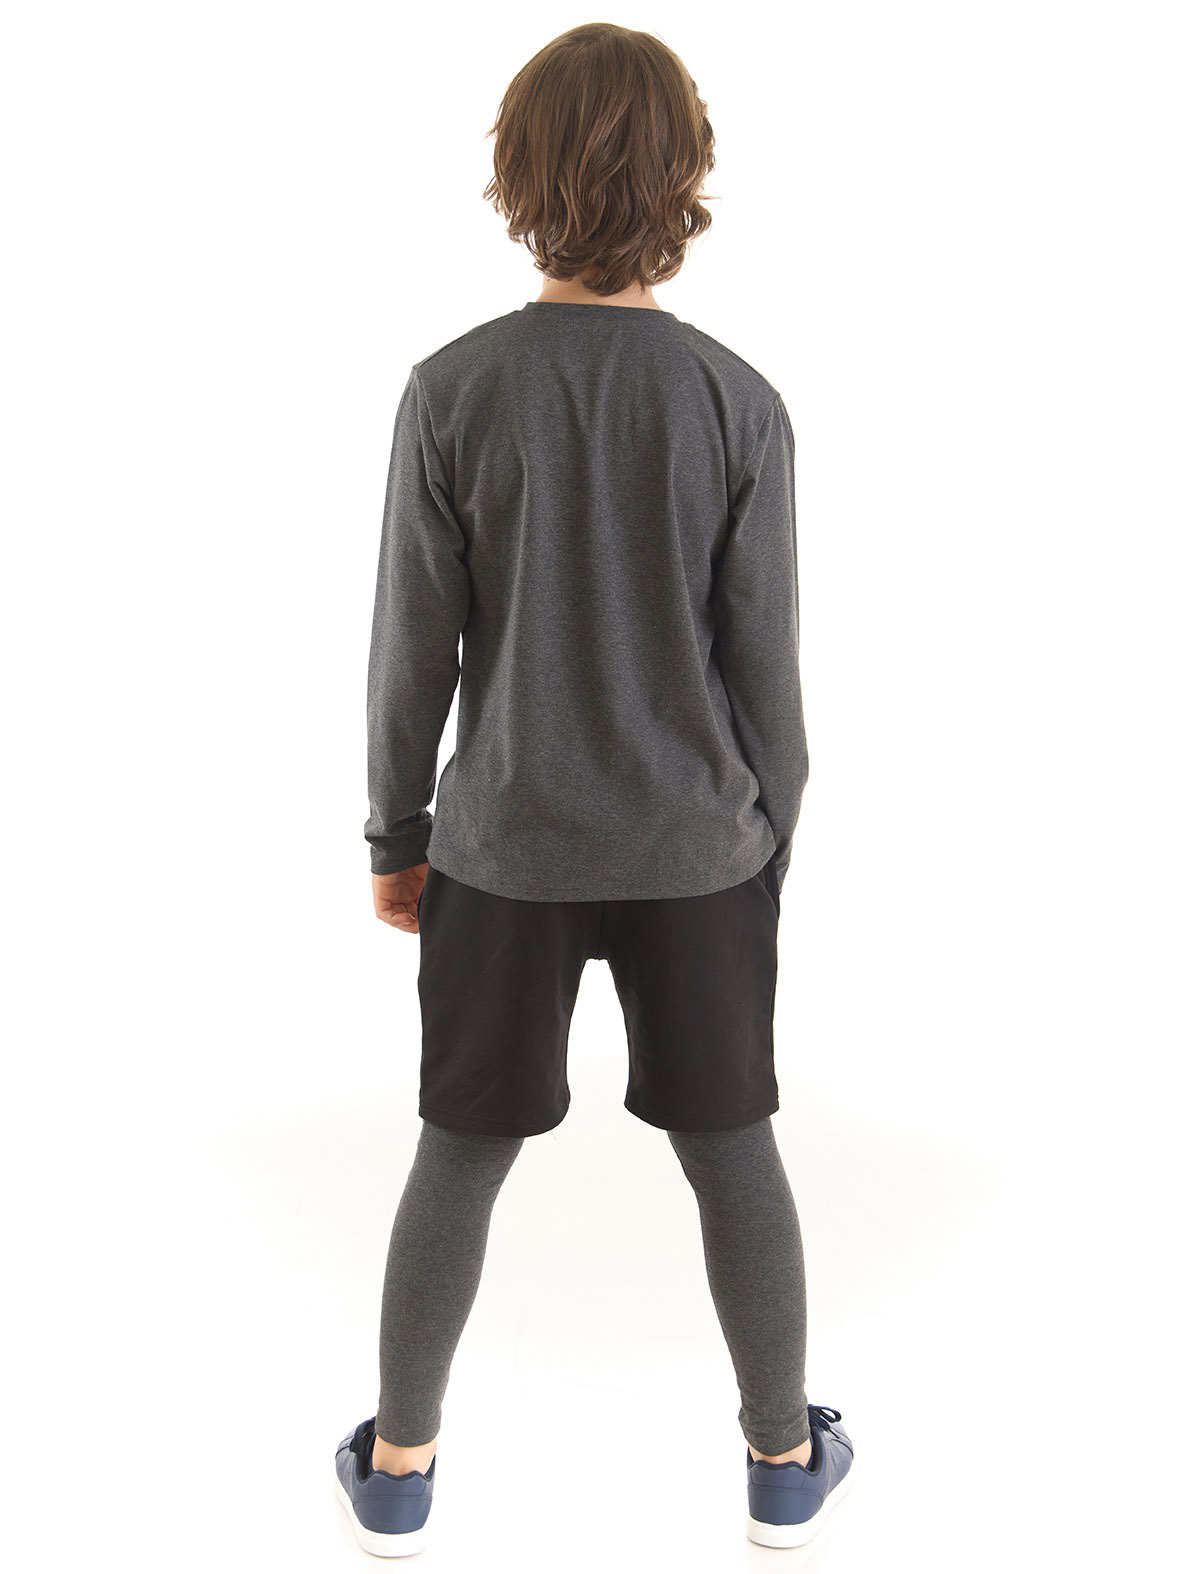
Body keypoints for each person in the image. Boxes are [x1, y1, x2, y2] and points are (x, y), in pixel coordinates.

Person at [333, 22, 854, 1557]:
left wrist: (396, 833)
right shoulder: (735, 400)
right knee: (732, 1145)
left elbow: (409, 650)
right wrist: (764, 849)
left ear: (515, 176)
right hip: (701, 851)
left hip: (503, 848)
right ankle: (781, 1463)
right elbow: (767, 678)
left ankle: (398, 1471)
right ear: (685, 176)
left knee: (458, 1151)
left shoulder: (451, 390)